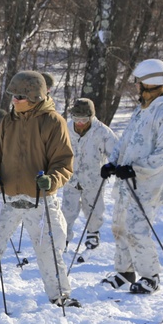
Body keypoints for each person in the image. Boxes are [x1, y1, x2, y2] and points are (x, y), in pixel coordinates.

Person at [0, 70, 77, 308]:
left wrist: (52, 180)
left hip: (40, 200)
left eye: (19, 96)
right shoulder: (8, 121)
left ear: (34, 97)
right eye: (13, 96)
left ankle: (60, 295)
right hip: (7, 198)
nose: (14, 101)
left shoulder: (53, 122)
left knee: (48, 250)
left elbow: (64, 162)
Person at [100, 58, 163, 294]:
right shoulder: (143, 107)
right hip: (127, 181)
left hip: (150, 184)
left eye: (138, 83)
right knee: (119, 226)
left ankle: (150, 276)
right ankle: (125, 272)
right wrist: (113, 162)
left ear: (150, 83)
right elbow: (126, 140)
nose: (136, 86)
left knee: (137, 230)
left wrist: (135, 169)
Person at [62, 98, 117, 249]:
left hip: (93, 180)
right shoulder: (65, 129)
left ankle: (93, 233)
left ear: (91, 117)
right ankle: (63, 237)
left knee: (94, 209)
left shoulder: (102, 132)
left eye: (84, 119)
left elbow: (117, 152)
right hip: (71, 179)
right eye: (76, 118)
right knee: (67, 211)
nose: (79, 123)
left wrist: (113, 166)